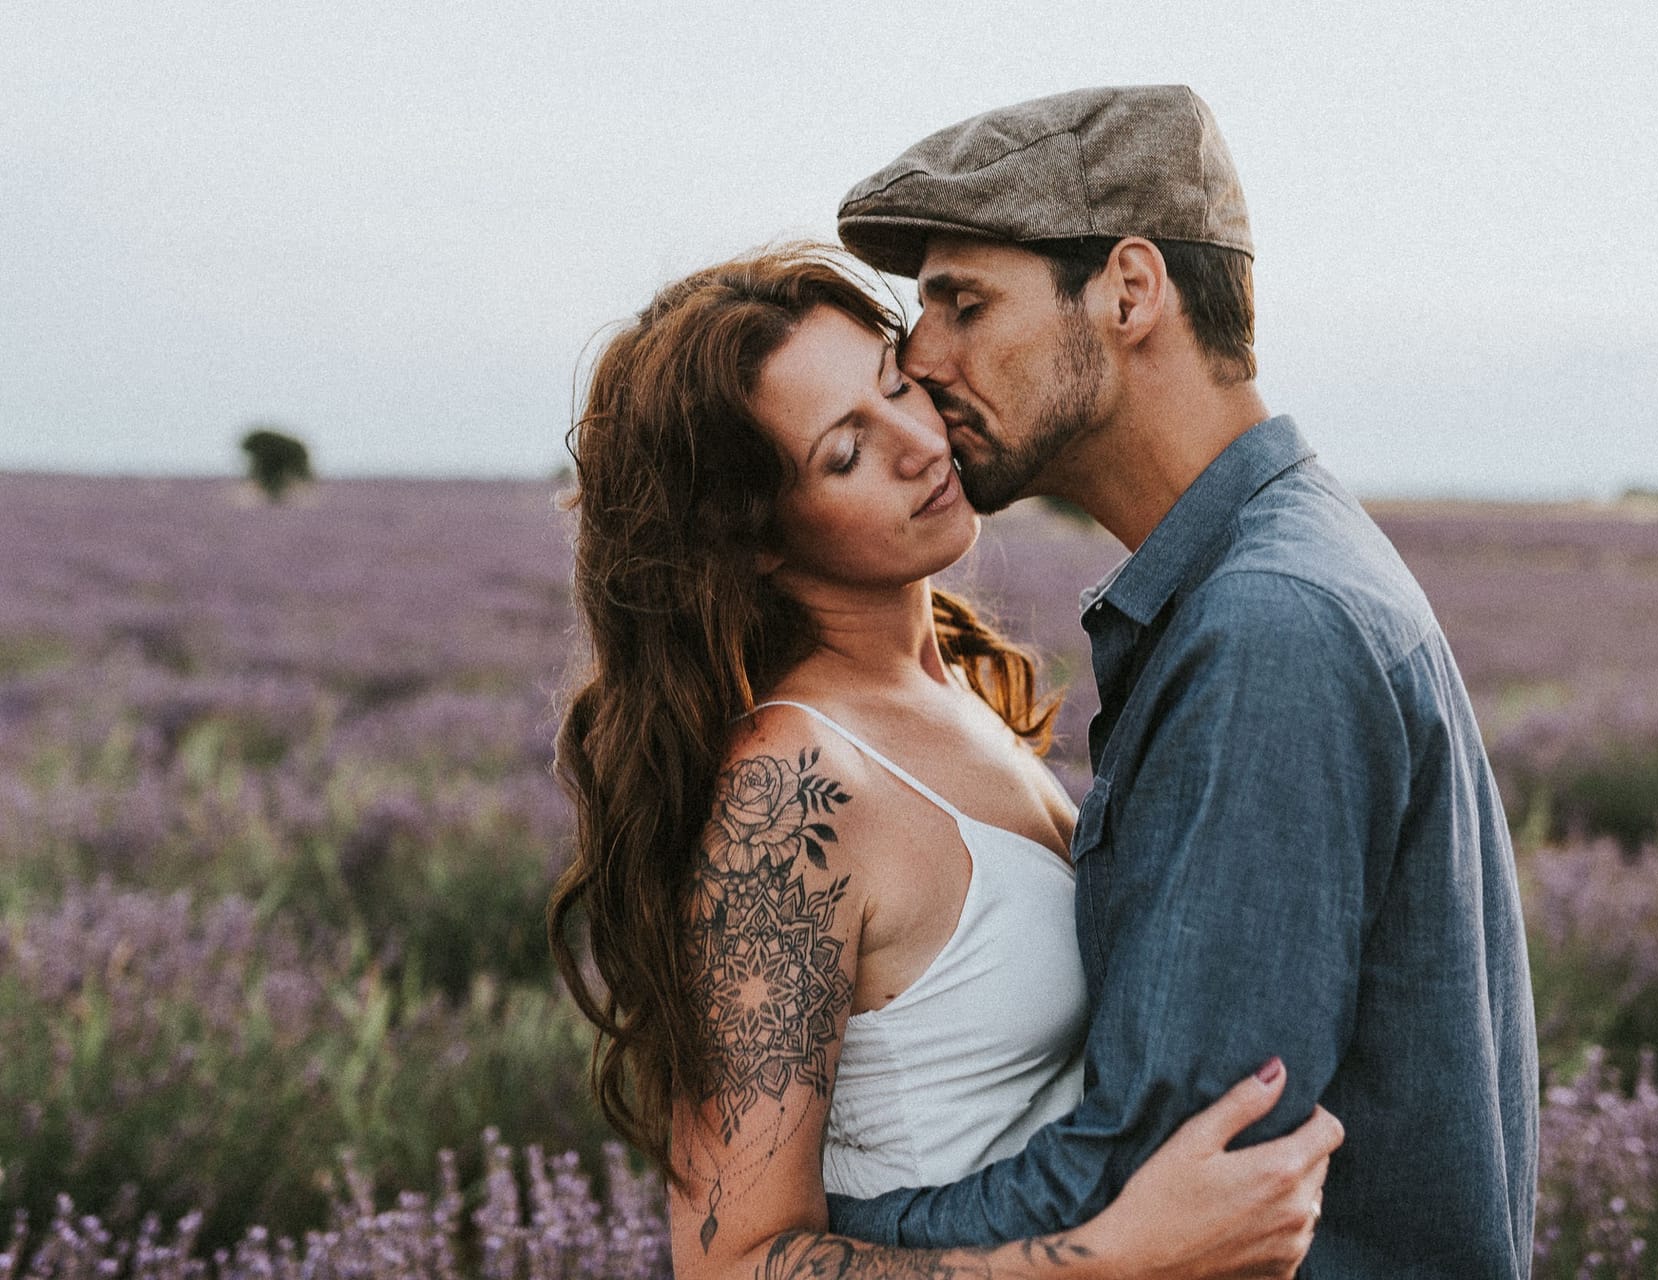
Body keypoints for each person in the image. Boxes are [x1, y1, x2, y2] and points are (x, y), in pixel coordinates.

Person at [824, 85, 1540, 1276]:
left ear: (1130, 289)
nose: (921, 357)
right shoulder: (1271, 571)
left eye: (962, 302)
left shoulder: (1267, 628)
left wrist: (798, 1241)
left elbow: (1162, 1170)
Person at [546, 245, 1346, 1279]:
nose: (921, 442)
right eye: (845, 453)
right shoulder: (791, 792)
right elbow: (734, 1260)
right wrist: (1122, 1255)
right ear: (750, 541)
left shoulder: (947, 693)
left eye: (896, 385)